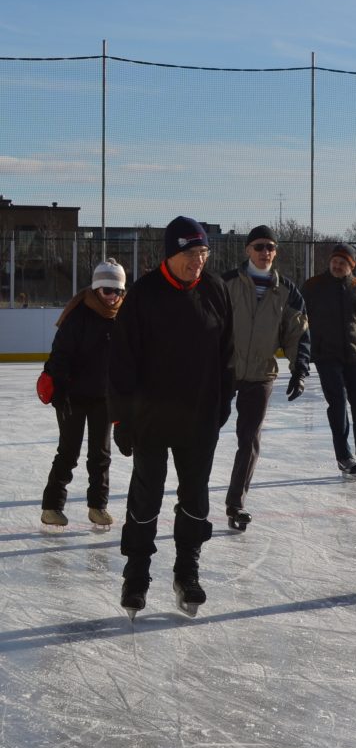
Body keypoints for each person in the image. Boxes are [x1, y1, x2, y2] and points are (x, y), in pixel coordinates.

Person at [110, 217, 234, 618]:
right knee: (146, 498)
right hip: (151, 418)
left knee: (195, 497)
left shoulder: (215, 290)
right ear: (171, 254)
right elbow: (122, 362)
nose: (197, 262)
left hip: (199, 417)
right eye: (190, 255)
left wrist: (224, 399)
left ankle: (187, 573)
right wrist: (122, 419)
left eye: (203, 254)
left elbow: (227, 352)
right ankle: (136, 576)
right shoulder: (144, 294)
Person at [219, 226, 310, 532]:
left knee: (249, 440)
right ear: (247, 250)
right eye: (258, 246)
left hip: (260, 374)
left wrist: (299, 368)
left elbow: (297, 332)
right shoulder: (226, 282)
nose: (264, 252)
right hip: (224, 370)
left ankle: (236, 504)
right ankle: (191, 496)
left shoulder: (287, 290)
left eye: (270, 247)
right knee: (203, 434)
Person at [38, 259, 125, 531]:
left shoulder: (123, 318)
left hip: (103, 397)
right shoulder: (78, 316)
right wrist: (60, 389)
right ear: (97, 288)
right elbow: (60, 355)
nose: (113, 297)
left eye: (118, 291)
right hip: (72, 396)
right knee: (69, 451)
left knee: (101, 455)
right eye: (107, 290)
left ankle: (97, 507)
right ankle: (52, 507)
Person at [302, 242, 356, 477]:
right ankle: (344, 457)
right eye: (335, 261)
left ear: (351, 266)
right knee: (338, 406)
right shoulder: (313, 286)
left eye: (342, 263)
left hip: (354, 357)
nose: (337, 266)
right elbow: (297, 319)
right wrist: (303, 352)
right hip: (326, 356)